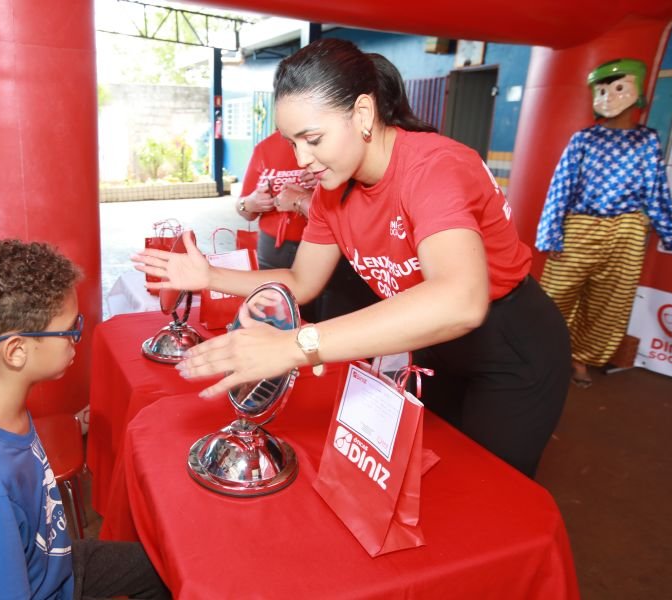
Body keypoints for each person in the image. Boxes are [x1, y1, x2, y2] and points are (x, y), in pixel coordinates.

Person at [134, 38, 571, 478]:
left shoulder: (433, 168)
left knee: (490, 489)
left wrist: (295, 345)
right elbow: (302, 280)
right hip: (435, 342)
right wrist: (208, 275)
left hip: (509, 344)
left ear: (363, 114)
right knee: (439, 479)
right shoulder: (332, 192)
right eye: (293, 143)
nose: (303, 159)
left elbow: (461, 300)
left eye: (313, 139)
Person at [0, 239, 169, 599]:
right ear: (16, 350)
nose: (76, 341)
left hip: (48, 561)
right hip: (40, 585)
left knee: (160, 567)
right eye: (70, 331)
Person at [536, 58, 672, 388]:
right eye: (602, 89)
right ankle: (543, 355)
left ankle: (581, 359)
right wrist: (551, 234)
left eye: (618, 87)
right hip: (581, 225)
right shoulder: (583, 140)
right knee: (555, 295)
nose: (608, 96)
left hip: (628, 230)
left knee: (609, 302)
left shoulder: (647, 140)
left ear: (636, 92)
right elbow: (560, 187)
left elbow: (656, 191)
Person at [238, 131, 379, 321]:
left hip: (326, 247)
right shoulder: (264, 148)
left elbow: (355, 211)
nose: (302, 158)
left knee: (326, 318)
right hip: (273, 249)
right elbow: (244, 209)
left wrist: (313, 189)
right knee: (274, 316)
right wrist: (250, 203)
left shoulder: (333, 146)